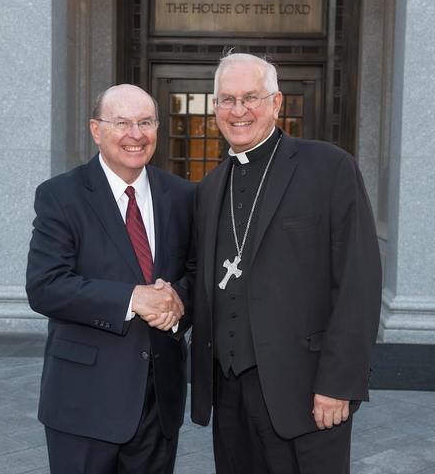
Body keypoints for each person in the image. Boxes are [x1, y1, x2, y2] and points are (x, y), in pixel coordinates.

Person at [190, 53, 382, 474]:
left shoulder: (329, 167)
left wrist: (339, 383)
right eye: (226, 99)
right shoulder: (209, 188)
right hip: (228, 391)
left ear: (277, 103)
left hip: (307, 392)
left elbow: (358, 283)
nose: (238, 111)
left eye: (251, 97)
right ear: (215, 106)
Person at [26, 84, 195, 474]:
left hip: (159, 404)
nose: (135, 134)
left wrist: (175, 304)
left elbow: (194, 275)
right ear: (96, 129)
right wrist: (133, 299)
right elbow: (45, 286)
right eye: (122, 122)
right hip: (84, 404)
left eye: (145, 122)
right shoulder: (61, 195)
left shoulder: (183, 195)